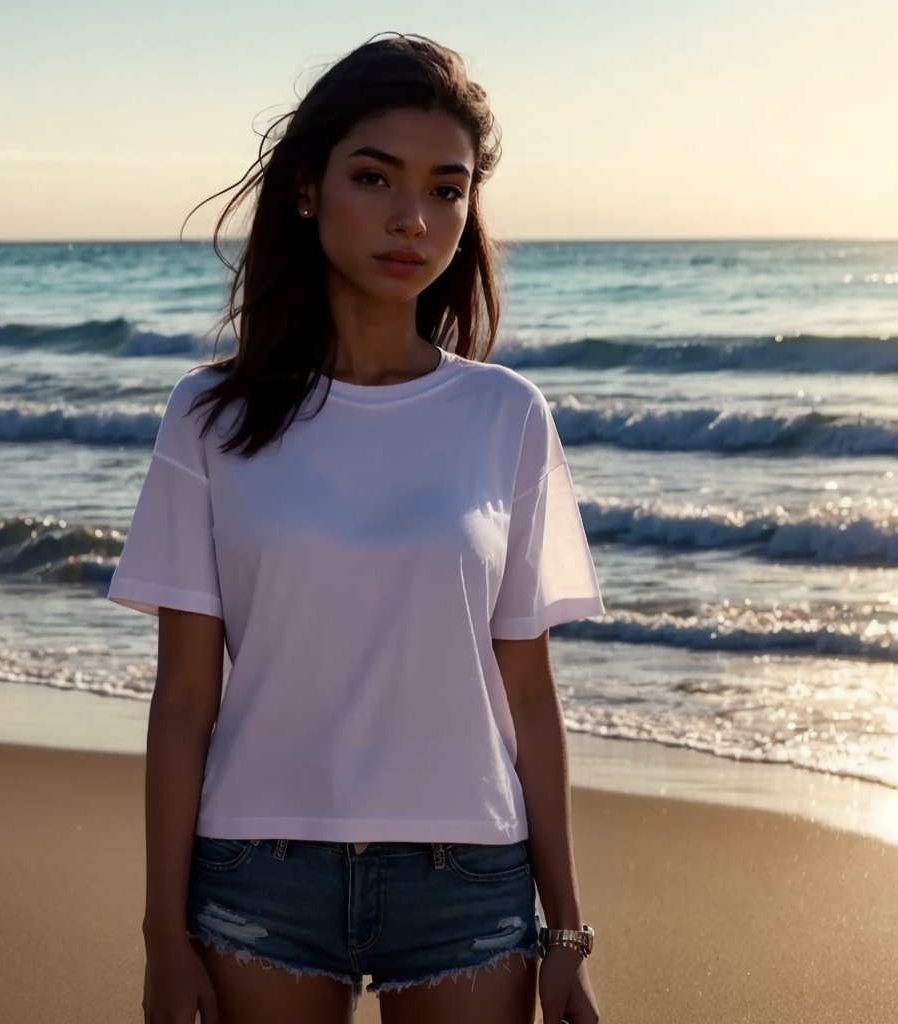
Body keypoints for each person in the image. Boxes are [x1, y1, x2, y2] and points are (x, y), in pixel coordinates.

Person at [106, 32, 607, 1024]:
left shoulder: (507, 416)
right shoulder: (210, 417)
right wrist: (164, 933)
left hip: (468, 876)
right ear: (305, 189)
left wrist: (567, 935)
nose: (412, 219)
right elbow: (184, 700)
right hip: (259, 872)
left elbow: (530, 702)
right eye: (375, 177)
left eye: (446, 189)